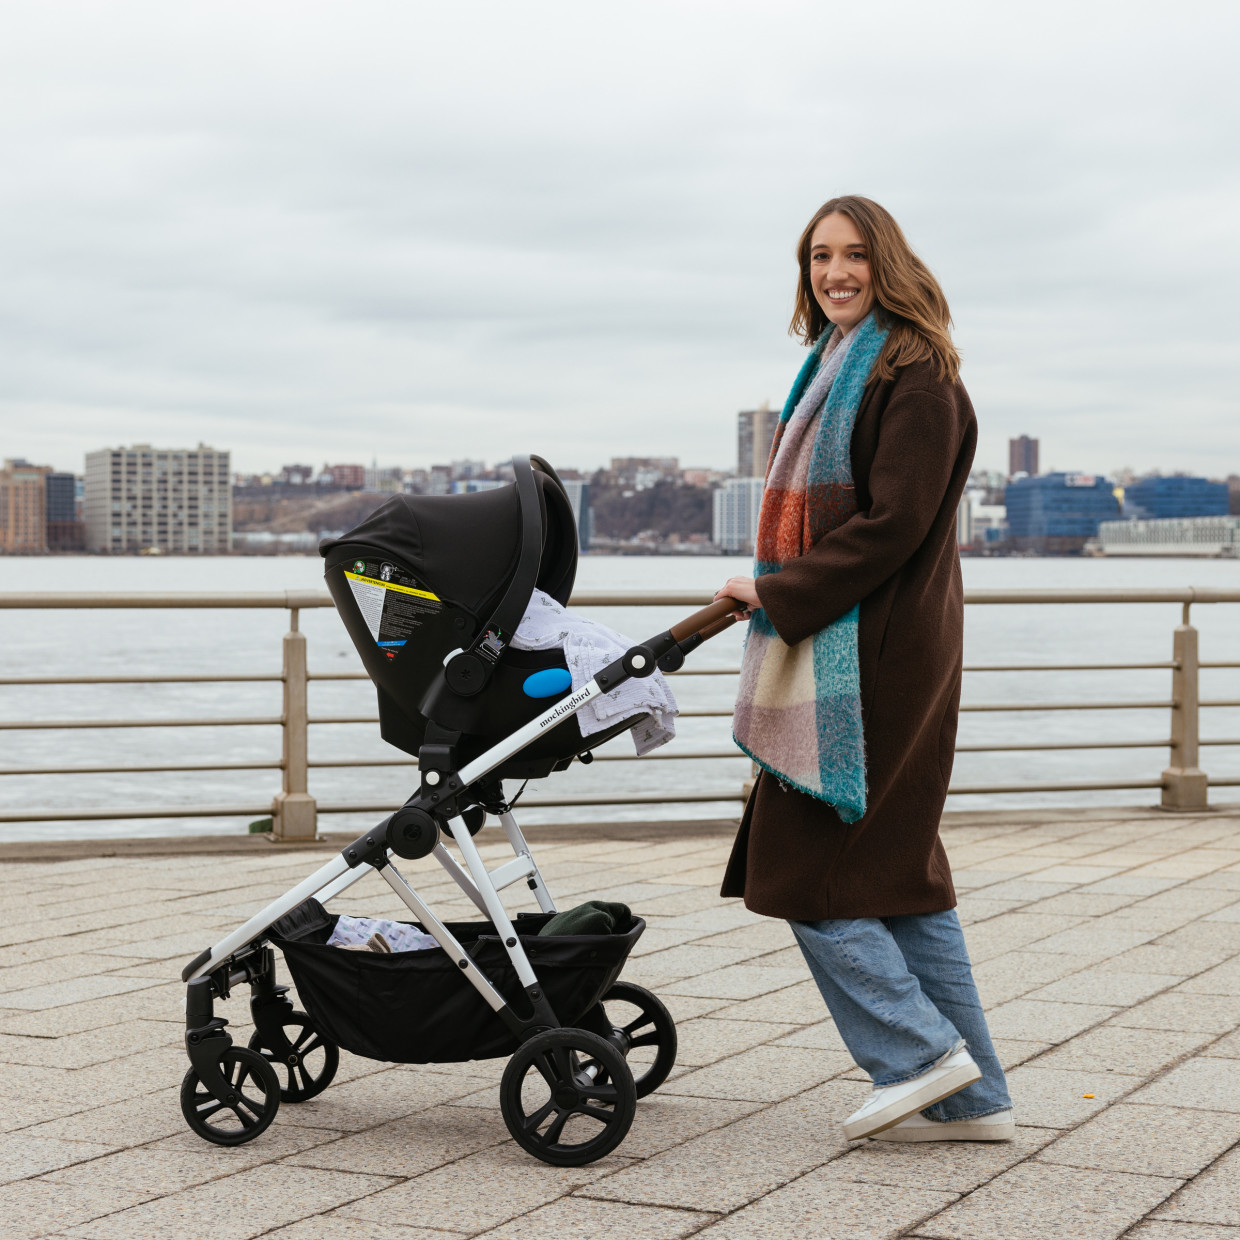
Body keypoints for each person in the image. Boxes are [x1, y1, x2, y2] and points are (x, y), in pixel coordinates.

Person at [715, 195, 1013, 1142]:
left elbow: (894, 524)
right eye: (817, 258)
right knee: (899, 878)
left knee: (802, 871)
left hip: (871, 658)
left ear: (888, 262)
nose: (834, 273)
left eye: (851, 255)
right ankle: (975, 1103)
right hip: (879, 645)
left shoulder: (913, 375)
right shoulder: (846, 365)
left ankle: (921, 1058)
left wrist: (779, 589)